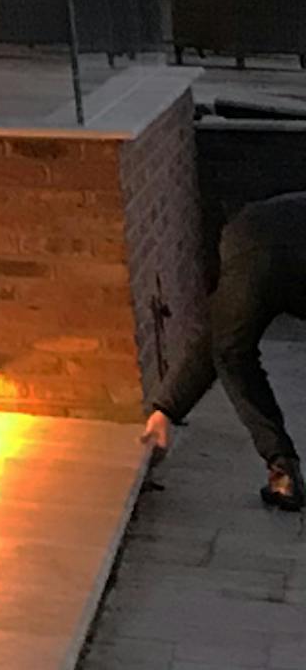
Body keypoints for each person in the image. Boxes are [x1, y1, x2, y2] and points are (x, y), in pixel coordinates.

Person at [144, 191, 306, 512]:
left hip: (251, 236)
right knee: (230, 350)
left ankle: (283, 470)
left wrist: (166, 410)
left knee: (231, 349)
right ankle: (282, 468)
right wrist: (167, 409)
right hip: (257, 240)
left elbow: (221, 341)